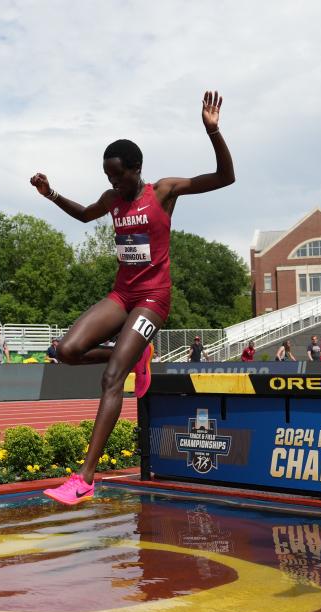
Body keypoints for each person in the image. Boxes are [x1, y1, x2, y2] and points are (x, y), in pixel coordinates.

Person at [30, 90, 234, 505]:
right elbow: (87, 214)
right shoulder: (112, 200)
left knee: (111, 378)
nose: (113, 184)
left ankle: (85, 477)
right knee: (66, 350)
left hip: (153, 299)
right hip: (122, 293)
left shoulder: (164, 191)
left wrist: (214, 132)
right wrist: (52, 195)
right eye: (108, 177)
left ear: (137, 170)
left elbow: (225, 177)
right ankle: (133, 354)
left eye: (119, 177)